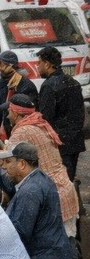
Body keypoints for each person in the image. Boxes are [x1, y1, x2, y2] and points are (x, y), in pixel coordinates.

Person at [36, 46, 86, 180]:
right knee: (69, 179)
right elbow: (81, 112)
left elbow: (45, 117)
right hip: (74, 140)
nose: (37, 67)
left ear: (47, 64)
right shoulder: (73, 82)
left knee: (61, 182)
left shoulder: (49, 85)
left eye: (39, 63)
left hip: (59, 142)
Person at [0, 51, 38, 137]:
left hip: (16, 130)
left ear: (10, 66)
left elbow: (28, 112)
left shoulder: (26, 85)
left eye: (1, 64)